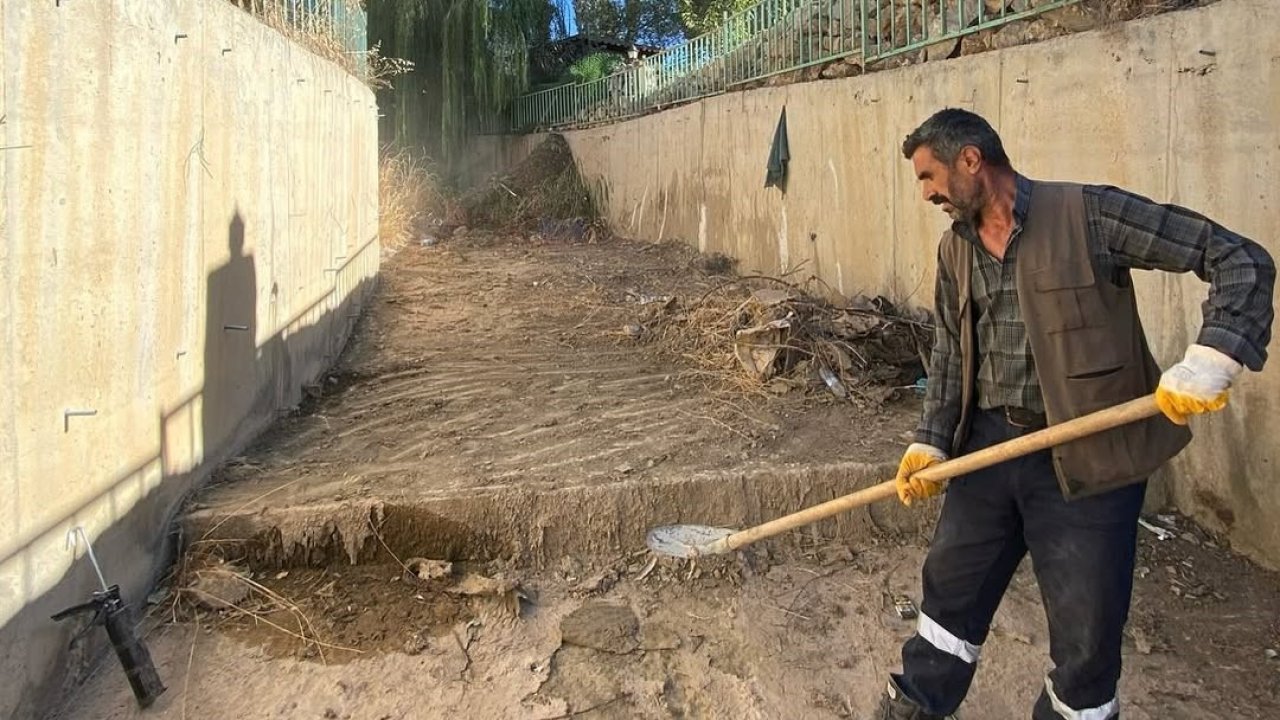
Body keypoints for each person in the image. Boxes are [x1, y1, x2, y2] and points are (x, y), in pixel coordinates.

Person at [877, 108, 1275, 720]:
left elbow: (1239, 258)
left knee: (1087, 629)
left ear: (971, 160)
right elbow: (951, 352)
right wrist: (932, 441)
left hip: (1087, 458)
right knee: (950, 589)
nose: (926, 192)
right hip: (987, 449)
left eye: (929, 176)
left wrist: (1215, 353)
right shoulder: (953, 250)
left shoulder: (1089, 214)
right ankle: (919, 703)